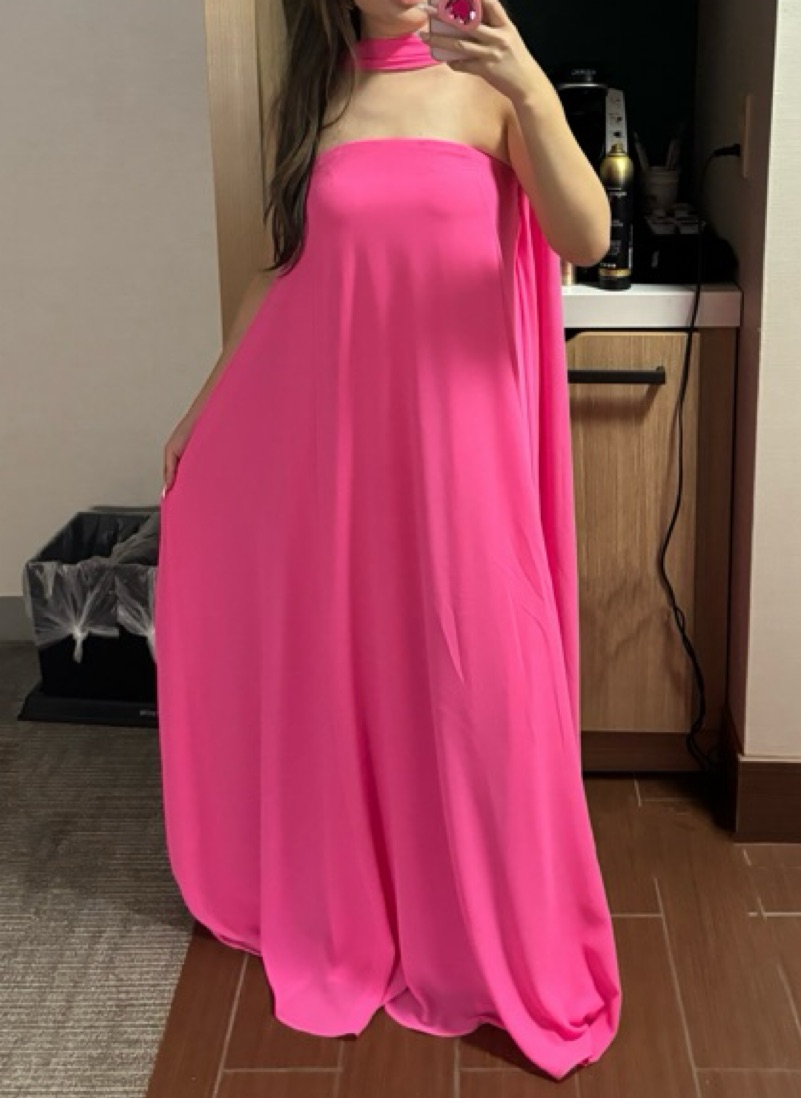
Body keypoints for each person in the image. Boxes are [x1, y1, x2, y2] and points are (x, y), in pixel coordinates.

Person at [154, 0, 622, 1081]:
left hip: (461, 451)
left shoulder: (490, 86)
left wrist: (529, 89)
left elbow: (587, 236)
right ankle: (360, 898)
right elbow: (283, 269)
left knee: (481, 679)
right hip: (339, 448)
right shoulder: (320, 97)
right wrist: (206, 406)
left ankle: (488, 929)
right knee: (347, 671)